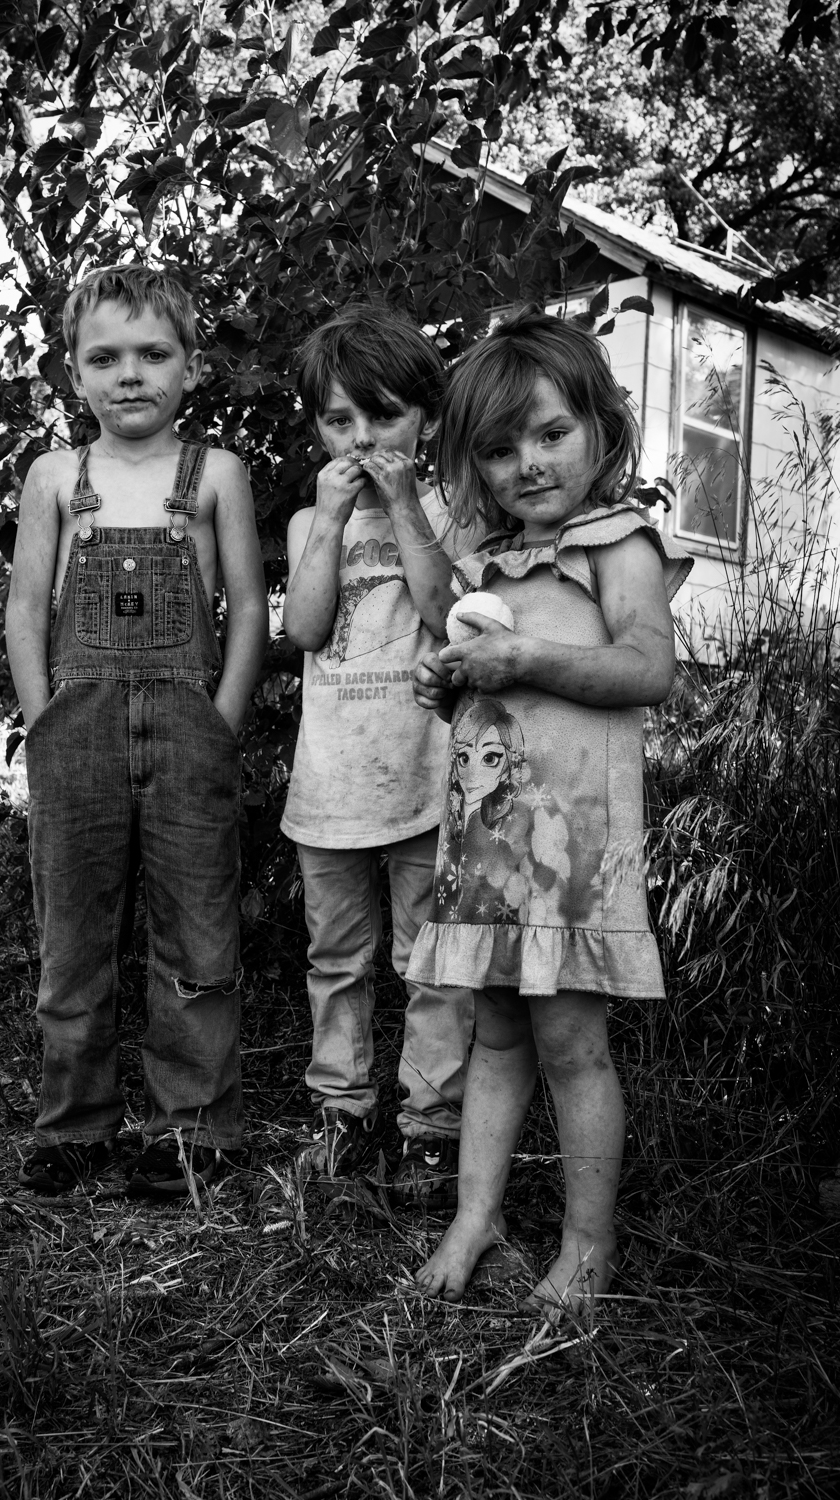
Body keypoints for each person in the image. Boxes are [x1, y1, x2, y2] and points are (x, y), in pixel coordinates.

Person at [408, 304, 692, 1308]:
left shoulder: (619, 545)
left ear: (601, 431)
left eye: (550, 433)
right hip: (487, 845)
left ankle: (585, 1245)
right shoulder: (486, 567)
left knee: (571, 1046)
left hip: (570, 858)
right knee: (492, 1034)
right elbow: (491, 705)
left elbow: (644, 668)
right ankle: (474, 1218)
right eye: (497, 450)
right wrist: (447, 684)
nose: (527, 463)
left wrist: (522, 655)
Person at [5, 264, 268, 1198]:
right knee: (73, 935)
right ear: (73, 375)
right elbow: (27, 607)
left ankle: (189, 1129)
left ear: (192, 368)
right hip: (73, 729)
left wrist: (221, 719)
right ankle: (74, 1125)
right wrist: (45, 723)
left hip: (189, 724)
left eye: (154, 355)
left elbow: (247, 612)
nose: (130, 375)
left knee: (196, 932)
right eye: (104, 358)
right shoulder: (55, 477)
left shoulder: (216, 474)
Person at [280, 305, 483, 1206]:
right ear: (317, 426)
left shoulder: (458, 512)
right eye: (338, 420)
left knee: (431, 961)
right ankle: (343, 1112)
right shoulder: (305, 522)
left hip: (425, 778)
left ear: (427, 419)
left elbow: (449, 618)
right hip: (328, 783)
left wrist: (404, 504)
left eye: (385, 415)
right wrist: (326, 523)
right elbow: (308, 627)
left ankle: (431, 1128)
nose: (362, 438)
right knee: (335, 960)